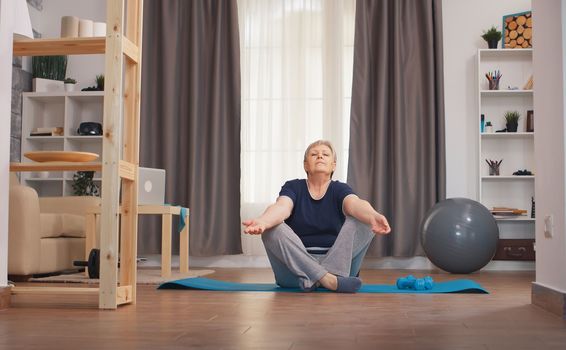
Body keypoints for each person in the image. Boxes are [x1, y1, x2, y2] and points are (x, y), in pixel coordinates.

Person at [243, 140, 391, 293]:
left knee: (363, 220)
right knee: (272, 229)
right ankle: (327, 280)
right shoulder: (293, 187)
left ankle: (317, 278)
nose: (320, 156)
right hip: (296, 272)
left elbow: (355, 204)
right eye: (314, 154)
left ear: (333, 165)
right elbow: (282, 207)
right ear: (306, 165)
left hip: (339, 268)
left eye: (325, 154)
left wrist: (373, 215)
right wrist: (263, 221)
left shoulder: (339, 189)